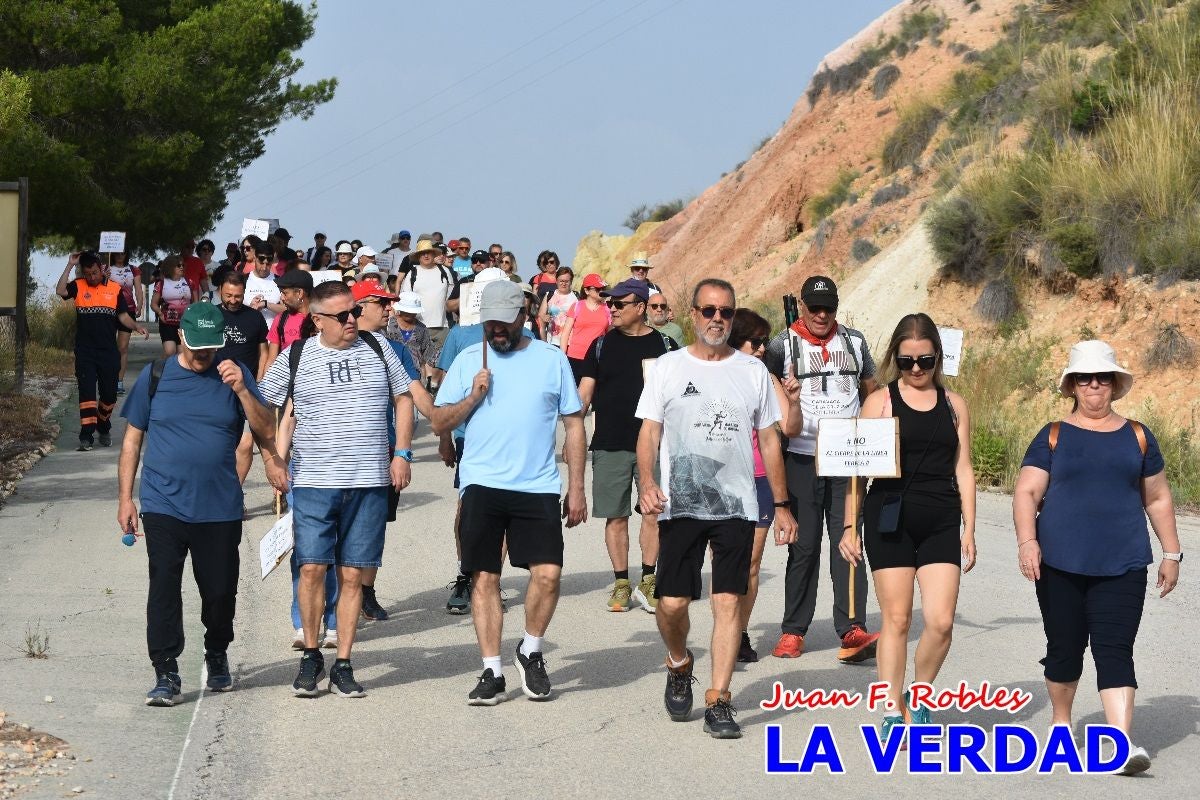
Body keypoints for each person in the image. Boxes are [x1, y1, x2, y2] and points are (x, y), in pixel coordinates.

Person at [635, 278, 798, 739]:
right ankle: (679, 661)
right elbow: (649, 433)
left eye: (725, 312)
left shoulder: (751, 370)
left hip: (737, 505)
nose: (717, 319)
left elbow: (770, 439)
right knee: (672, 603)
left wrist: (781, 504)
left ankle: (719, 700)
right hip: (680, 504)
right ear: (694, 314)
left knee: (728, 600)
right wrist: (647, 483)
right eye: (708, 311)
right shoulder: (667, 367)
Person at [1012, 340, 1181, 776]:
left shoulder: (1138, 436)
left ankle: (1122, 743)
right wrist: (1027, 542)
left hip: (1123, 562)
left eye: (1101, 377)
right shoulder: (1053, 435)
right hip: (1059, 563)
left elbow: (1159, 498)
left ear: (1113, 384)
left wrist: (1171, 552)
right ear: (1071, 385)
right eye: (1084, 378)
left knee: (1115, 650)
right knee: (1064, 649)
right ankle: (1061, 724)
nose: (1093, 385)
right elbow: (1027, 492)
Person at [118, 302, 288, 705]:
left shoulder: (234, 374)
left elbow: (266, 429)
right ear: (181, 338)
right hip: (163, 503)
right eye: (197, 349)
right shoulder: (155, 376)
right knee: (163, 588)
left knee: (219, 591)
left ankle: (217, 650)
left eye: (211, 349)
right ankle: (166, 671)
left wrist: (244, 390)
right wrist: (126, 498)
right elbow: (131, 440)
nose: (203, 357)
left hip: (219, 506)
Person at [432, 280, 587, 706]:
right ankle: (491, 670)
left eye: (504, 324)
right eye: (489, 325)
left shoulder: (551, 360)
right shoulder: (468, 360)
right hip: (481, 482)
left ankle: (531, 650)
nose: (496, 332)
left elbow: (573, 424)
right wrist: (473, 397)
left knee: (548, 574)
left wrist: (576, 487)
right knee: (485, 576)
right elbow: (440, 423)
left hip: (536, 485)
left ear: (525, 316)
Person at [259, 281, 416, 698]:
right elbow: (262, 408)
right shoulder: (296, 357)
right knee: (311, 568)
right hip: (313, 483)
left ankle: (343, 663)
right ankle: (311, 655)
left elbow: (404, 399)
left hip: (368, 482)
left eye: (354, 312)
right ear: (316, 320)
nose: (352, 320)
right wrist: (272, 458)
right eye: (342, 315)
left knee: (352, 575)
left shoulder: (379, 350)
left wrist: (402, 452)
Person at [837, 314, 976, 746]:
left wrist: (969, 528)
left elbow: (965, 468)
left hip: (939, 517)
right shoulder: (879, 401)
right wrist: (849, 526)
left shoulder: (955, 405)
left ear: (938, 357)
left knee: (940, 622)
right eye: (907, 361)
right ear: (895, 357)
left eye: (925, 360)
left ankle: (922, 694)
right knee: (896, 620)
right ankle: (891, 706)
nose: (916, 369)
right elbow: (856, 471)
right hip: (888, 516)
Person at [764, 275, 881, 663]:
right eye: (814, 308)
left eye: (828, 307)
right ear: (801, 307)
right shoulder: (782, 345)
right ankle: (793, 630)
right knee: (804, 546)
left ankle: (851, 628)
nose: (821, 314)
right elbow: (768, 399)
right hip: (800, 456)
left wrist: (872, 444)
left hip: (847, 457)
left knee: (848, 542)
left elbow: (872, 391)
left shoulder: (855, 341)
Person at [577, 278, 678, 613]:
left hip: (657, 445)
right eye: (611, 304)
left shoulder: (666, 347)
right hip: (611, 443)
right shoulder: (601, 345)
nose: (613, 309)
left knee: (654, 512)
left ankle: (649, 580)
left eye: (620, 304)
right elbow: (585, 395)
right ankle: (622, 582)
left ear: (641, 308)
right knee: (616, 516)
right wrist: (572, 428)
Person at [434, 269, 532, 615]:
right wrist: (445, 438)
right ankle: (466, 573)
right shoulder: (461, 333)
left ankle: (489, 578)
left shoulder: (525, 334)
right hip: (467, 435)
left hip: (507, 440)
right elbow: (445, 389)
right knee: (468, 510)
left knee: (500, 513)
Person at [352, 280, 435, 621]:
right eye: (381, 303)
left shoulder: (395, 350)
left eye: (390, 303)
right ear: (356, 306)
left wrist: (446, 422)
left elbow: (417, 397)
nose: (389, 309)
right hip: (341, 453)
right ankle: (338, 594)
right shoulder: (321, 346)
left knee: (374, 525)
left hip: (384, 449)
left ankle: (365, 592)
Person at [727, 310, 802, 662]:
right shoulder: (716, 374)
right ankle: (726, 630)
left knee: (752, 563)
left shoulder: (766, 377)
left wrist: (793, 397)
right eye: (754, 342)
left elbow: (788, 428)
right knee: (729, 562)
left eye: (764, 343)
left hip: (759, 479)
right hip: (723, 480)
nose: (761, 349)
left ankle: (739, 632)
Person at [55, 251, 148, 450]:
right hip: (85, 351)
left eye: (95, 273)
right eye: (88, 274)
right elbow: (60, 290)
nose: (92, 277)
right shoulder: (78, 286)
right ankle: (86, 436)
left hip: (108, 352)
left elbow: (123, 316)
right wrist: (70, 265)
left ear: (101, 269)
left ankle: (103, 426)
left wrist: (135, 326)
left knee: (109, 395)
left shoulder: (115, 289)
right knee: (87, 394)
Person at [213, 271, 270, 489]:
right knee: (221, 444)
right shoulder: (211, 315)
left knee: (246, 445)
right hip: (217, 389)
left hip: (247, 388)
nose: (233, 300)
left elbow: (263, 351)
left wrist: (259, 379)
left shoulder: (254, 317)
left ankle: (234, 492)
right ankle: (220, 491)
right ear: (220, 292)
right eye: (228, 295)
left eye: (238, 296)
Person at [405, 236, 459, 387]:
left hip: (442, 325)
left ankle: (435, 396)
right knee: (419, 364)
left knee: (440, 364)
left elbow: (452, 298)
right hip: (418, 326)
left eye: (429, 252)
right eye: (423, 253)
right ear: (418, 256)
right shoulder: (412, 274)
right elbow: (405, 299)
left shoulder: (445, 271)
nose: (426, 255)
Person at [558, 273, 611, 383]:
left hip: (597, 358)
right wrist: (563, 358)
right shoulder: (577, 306)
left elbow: (610, 335)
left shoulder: (607, 309)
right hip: (575, 357)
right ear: (586, 291)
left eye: (602, 288)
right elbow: (565, 334)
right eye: (597, 289)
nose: (601, 291)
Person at [105, 250, 141, 395]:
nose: (120, 255)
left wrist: (140, 304)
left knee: (123, 347)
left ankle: (119, 381)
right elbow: (100, 286)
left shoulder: (133, 269)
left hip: (128, 309)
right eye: (118, 252)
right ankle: (108, 378)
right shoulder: (105, 268)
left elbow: (138, 289)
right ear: (112, 254)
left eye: (124, 252)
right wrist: (104, 277)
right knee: (108, 346)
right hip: (109, 308)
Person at [152, 255, 200, 358]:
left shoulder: (189, 282)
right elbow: (153, 304)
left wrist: (194, 316)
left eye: (183, 265)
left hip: (184, 323)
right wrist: (160, 314)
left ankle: (175, 373)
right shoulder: (161, 283)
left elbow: (196, 302)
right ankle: (159, 368)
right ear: (170, 267)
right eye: (178, 265)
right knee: (170, 351)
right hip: (167, 323)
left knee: (181, 354)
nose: (182, 267)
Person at [265, 268, 313, 367]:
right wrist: (264, 382)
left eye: (285, 293)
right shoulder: (280, 319)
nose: (281, 298)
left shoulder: (322, 318)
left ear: (299, 293)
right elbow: (271, 361)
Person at [385, 291, 435, 371]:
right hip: (393, 372)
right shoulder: (388, 325)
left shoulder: (421, 329)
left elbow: (427, 354)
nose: (409, 314)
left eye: (412, 311)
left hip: (415, 373)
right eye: (407, 311)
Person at [246, 241, 285, 328]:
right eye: (261, 263)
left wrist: (266, 304)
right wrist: (250, 307)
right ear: (255, 258)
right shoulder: (243, 280)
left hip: (272, 337)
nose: (264, 268)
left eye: (268, 264)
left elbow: (287, 309)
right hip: (248, 333)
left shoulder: (280, 281)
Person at [538, 267, 576, 347]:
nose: (563, 283)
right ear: (556, 281)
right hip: (552, 341)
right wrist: (545, 317)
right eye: (561, 281)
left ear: (571, 282)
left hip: (570, 342)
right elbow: (541, 315)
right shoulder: (550, 295)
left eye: (566, 281)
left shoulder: (576, 297)